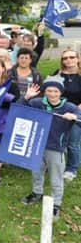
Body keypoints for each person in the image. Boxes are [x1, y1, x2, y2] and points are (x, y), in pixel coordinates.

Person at [21, 77, 81, 220]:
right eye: (49, 90)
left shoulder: (69, 107)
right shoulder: (37, 103)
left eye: (55, 91)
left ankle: (56, 203)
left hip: (56, 148)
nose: (52, 94)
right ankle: (37, 193)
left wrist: (74, 117)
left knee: (56, 177)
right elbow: (19, 111)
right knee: (36, 171)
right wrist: (26, 98)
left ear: (60, 92)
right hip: (37, 144)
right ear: (45, 91)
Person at [53, 49, 81, 181]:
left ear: (78, 59)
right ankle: (56, 164)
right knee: (57, 140)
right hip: (59, 112)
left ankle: (71, 169)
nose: (68, 60)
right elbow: (50, 90)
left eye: (71, 57)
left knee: (73, 143)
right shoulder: (58, 74)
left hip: (76, 113)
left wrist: (75, 111)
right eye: (65, 58)